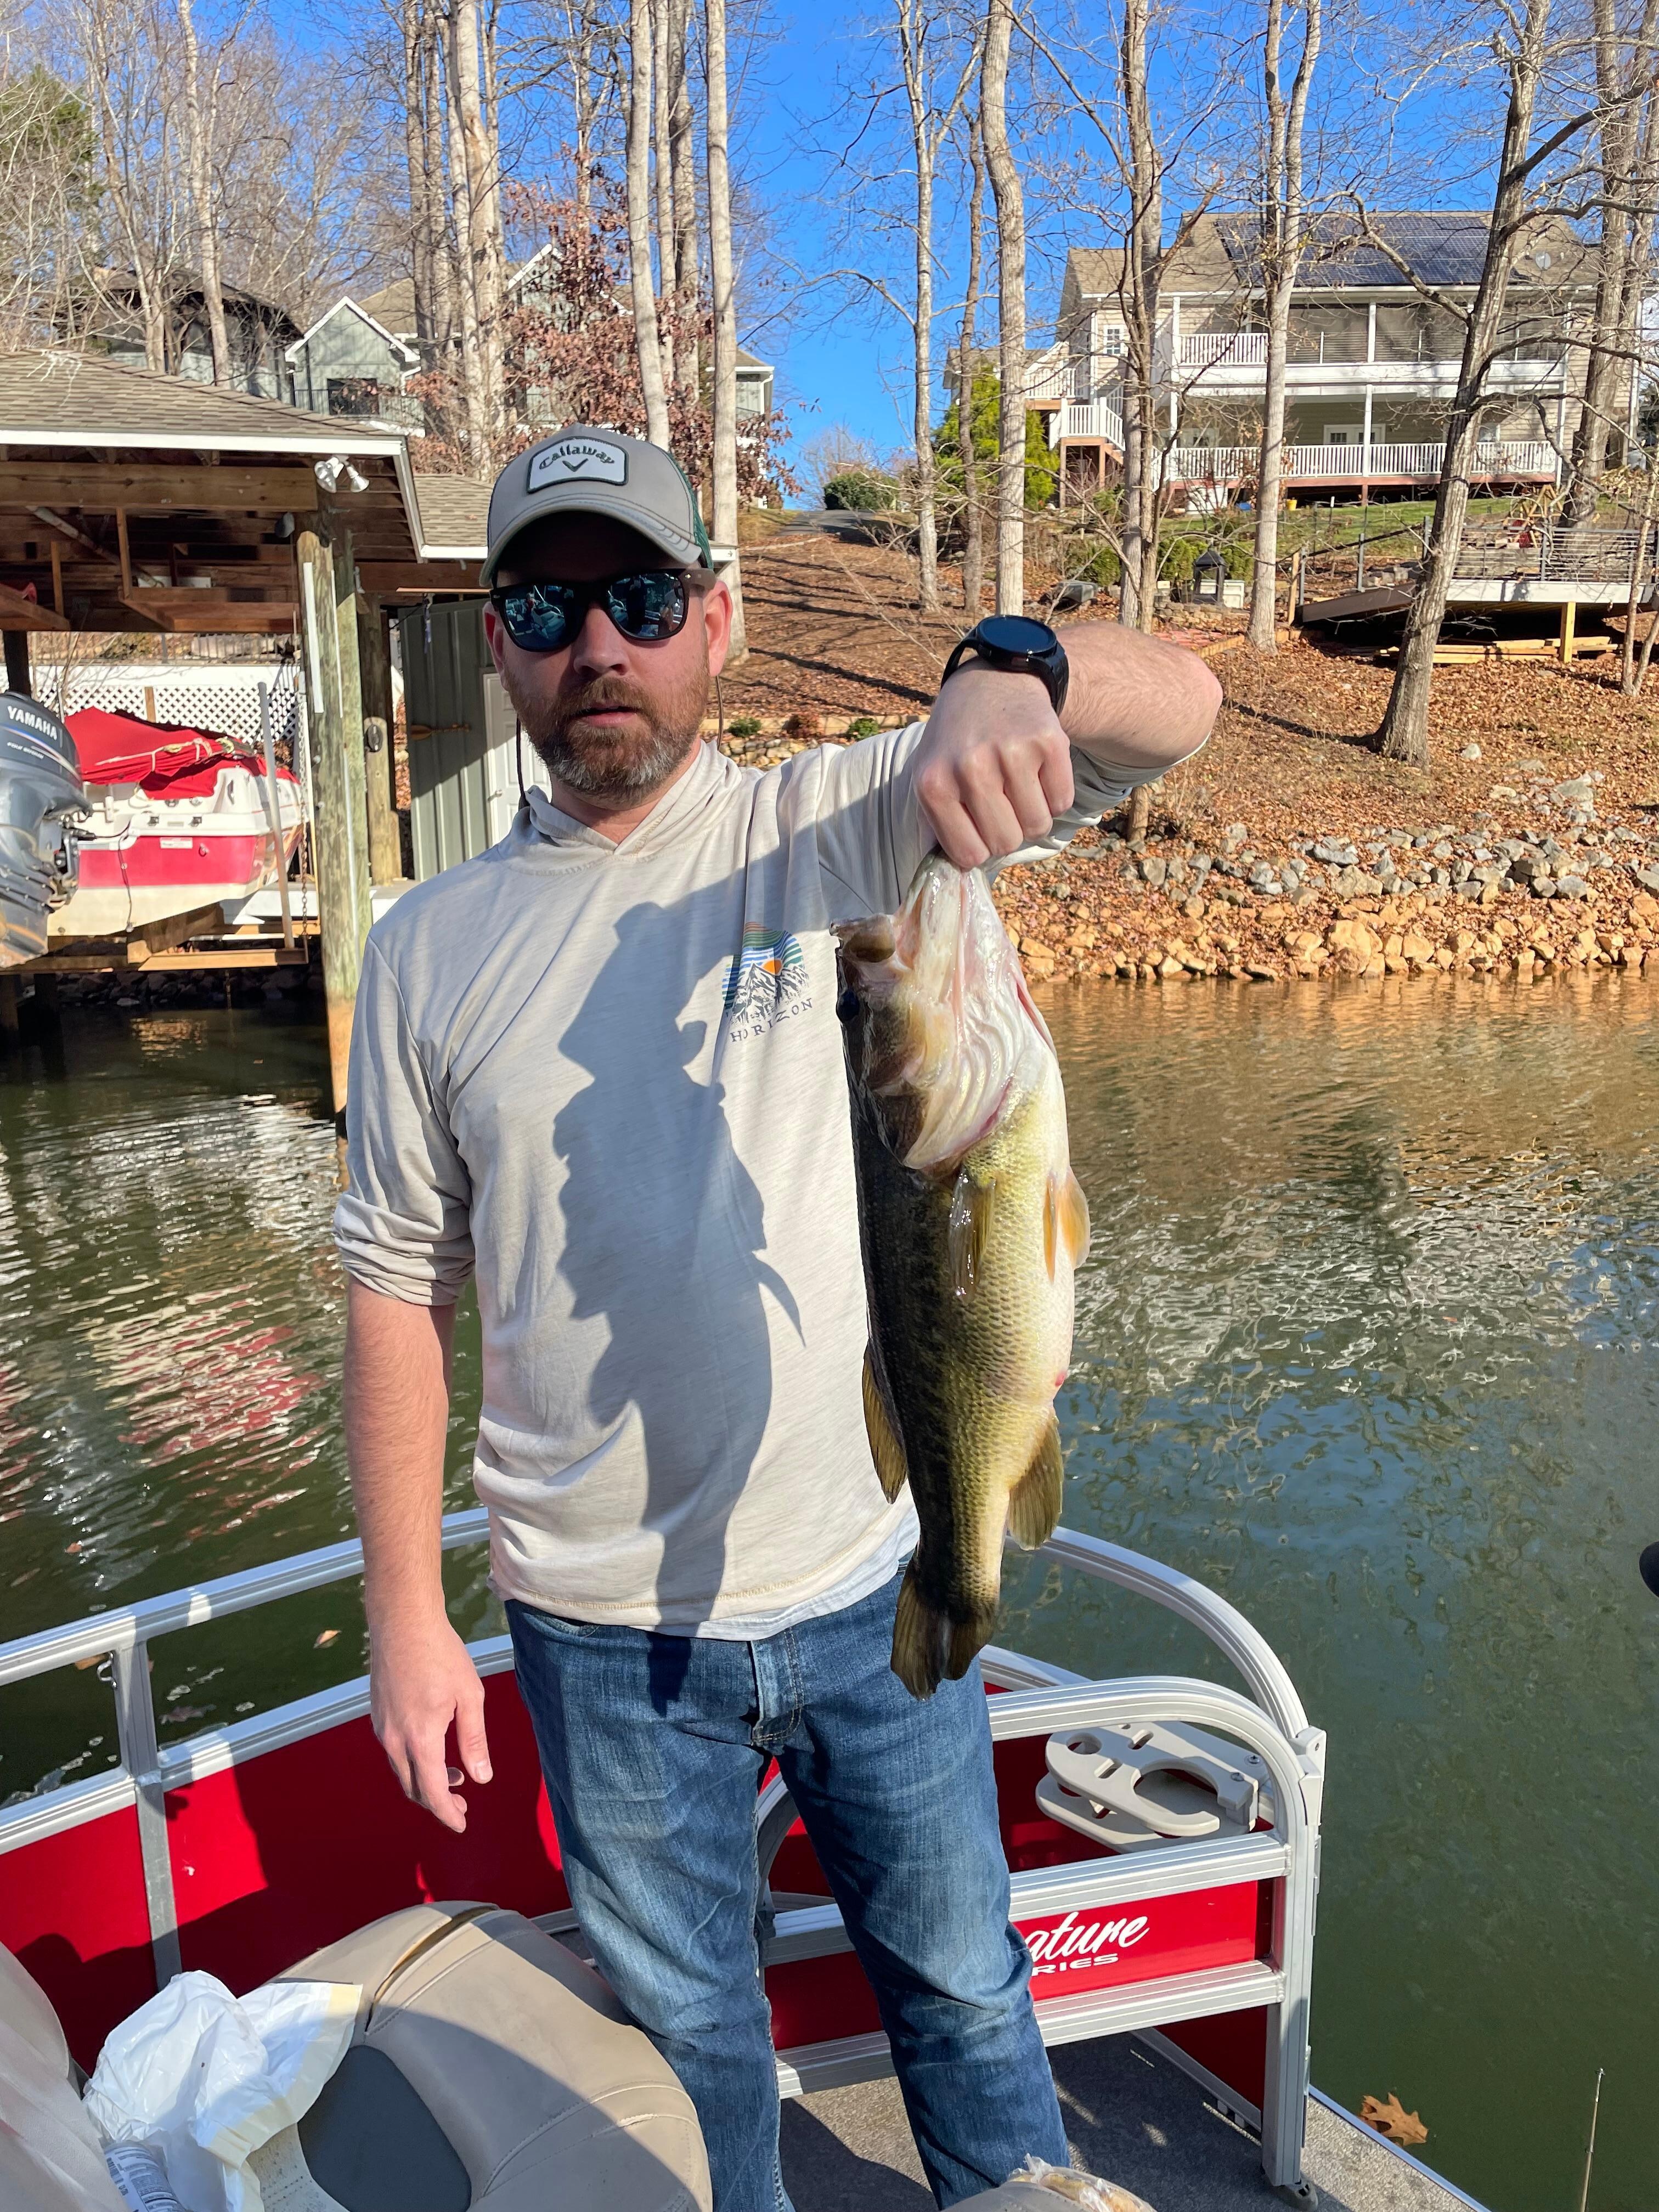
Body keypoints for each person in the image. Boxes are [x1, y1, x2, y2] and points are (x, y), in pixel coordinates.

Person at [336, 428, 1220, 2211]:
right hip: (600, 1637)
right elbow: (392, 1289)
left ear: (715, 624)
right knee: (691, 2069)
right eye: (546, 602)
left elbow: (1180, 706)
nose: (600, 641)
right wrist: (406, 1619)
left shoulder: (839, 829)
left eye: (642, 597)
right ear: (496, 640)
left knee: (972, 2000)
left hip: (868, 1565)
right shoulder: (424, 947)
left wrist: (1010, 668)